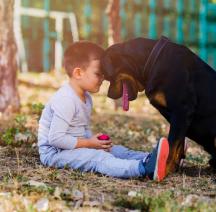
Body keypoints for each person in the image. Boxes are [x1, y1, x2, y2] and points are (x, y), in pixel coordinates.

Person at [37, 41, 169, 181]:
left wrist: (95, 142)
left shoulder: (86, 98)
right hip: (55, 153)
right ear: (78, 73)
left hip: (72, 148)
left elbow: (82, 128)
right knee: (98, 158)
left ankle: (155, 159)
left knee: (115, 150)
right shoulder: (66, 99)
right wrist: (89, 144)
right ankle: (143, 169)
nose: (103, 79)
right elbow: (56, 139)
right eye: (98, 74)